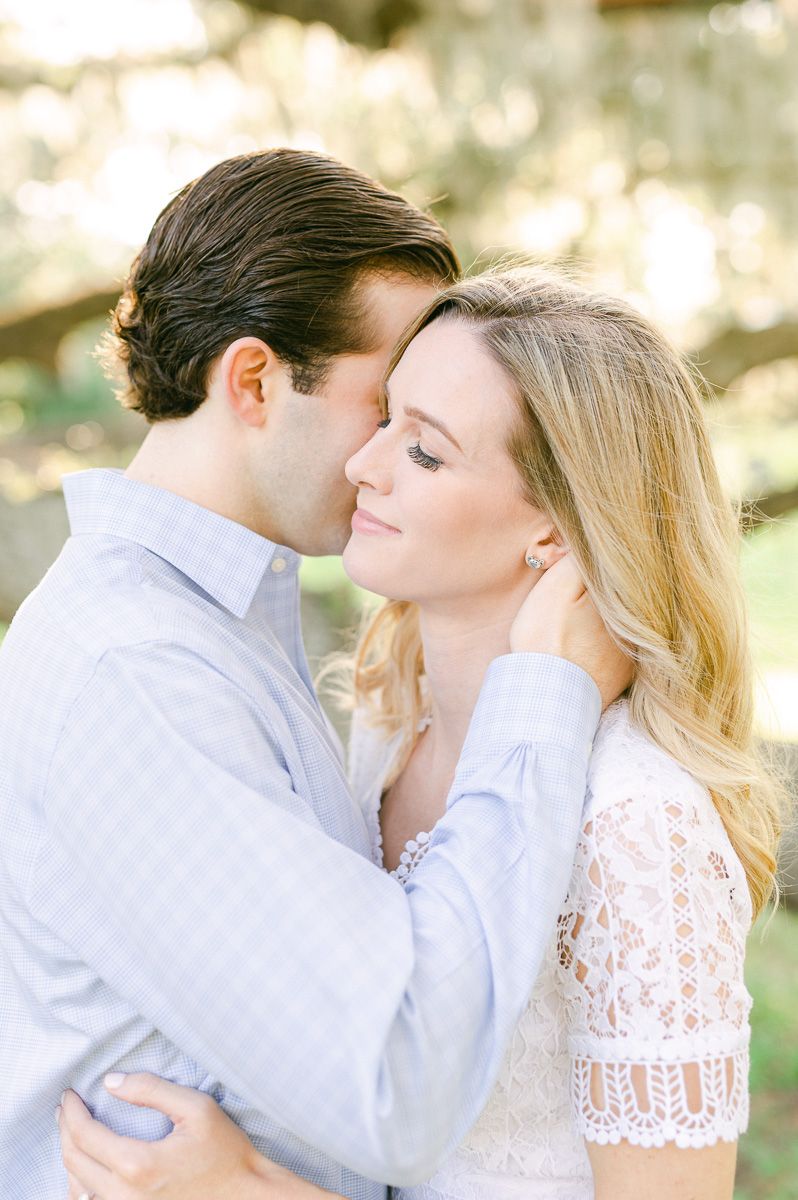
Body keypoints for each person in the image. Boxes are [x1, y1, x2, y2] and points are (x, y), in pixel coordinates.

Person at [58, 267, 784, 1200]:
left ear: (557, 533)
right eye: (385, 418)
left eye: (428, 454)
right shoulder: (388, 730)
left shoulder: (639, 823)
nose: (365, 465)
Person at [0, 152, 628, 1199]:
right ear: (252, 381)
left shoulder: (228, 621)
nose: (391, 455)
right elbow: (395, 1078)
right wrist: (546, 695)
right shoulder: (136, 667)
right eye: (384, 405)